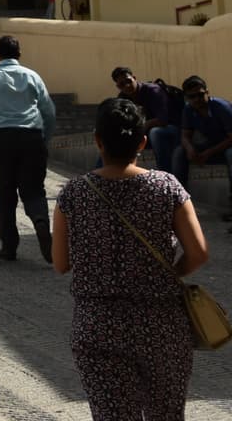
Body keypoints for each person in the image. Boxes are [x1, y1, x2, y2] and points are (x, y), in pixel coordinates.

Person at [53, 97, 208, 421]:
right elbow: (198, 252)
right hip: (161, 325)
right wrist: (167, 272)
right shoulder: (167, 187)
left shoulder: (72, 193)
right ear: (142, 141)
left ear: (98, 140)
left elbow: (60, 263)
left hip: (98, 325)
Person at [0, 34, 57, 261]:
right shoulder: (33, 76)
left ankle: (9, 246)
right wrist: (44, 138)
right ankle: (40, 220)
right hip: (32, 137)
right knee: (33, 189)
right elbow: (48, 111)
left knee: (4, 193)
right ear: (19, 54)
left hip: (3, 140)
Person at [112, 67, 184, 175]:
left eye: (128, 81)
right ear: (118, 86)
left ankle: (165, 175)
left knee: (156, 132)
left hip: (172, 131)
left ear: (134, 78)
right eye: (122, 84)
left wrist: (143, 126)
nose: (127, 86)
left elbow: (162, 120)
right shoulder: (123, 99)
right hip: (146, 134)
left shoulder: (153, 91)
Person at [178, 75, 232, 188]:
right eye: (192, 96)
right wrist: (189, 149)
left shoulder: (221, 107)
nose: (197, 99)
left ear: (207, 92)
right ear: (186, 97)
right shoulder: (188, 109)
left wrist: (209, 152)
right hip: (211, 144)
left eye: (200, 95)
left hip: (226, 145)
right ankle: (179, 193)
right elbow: (185, 135)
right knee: (179, 152)